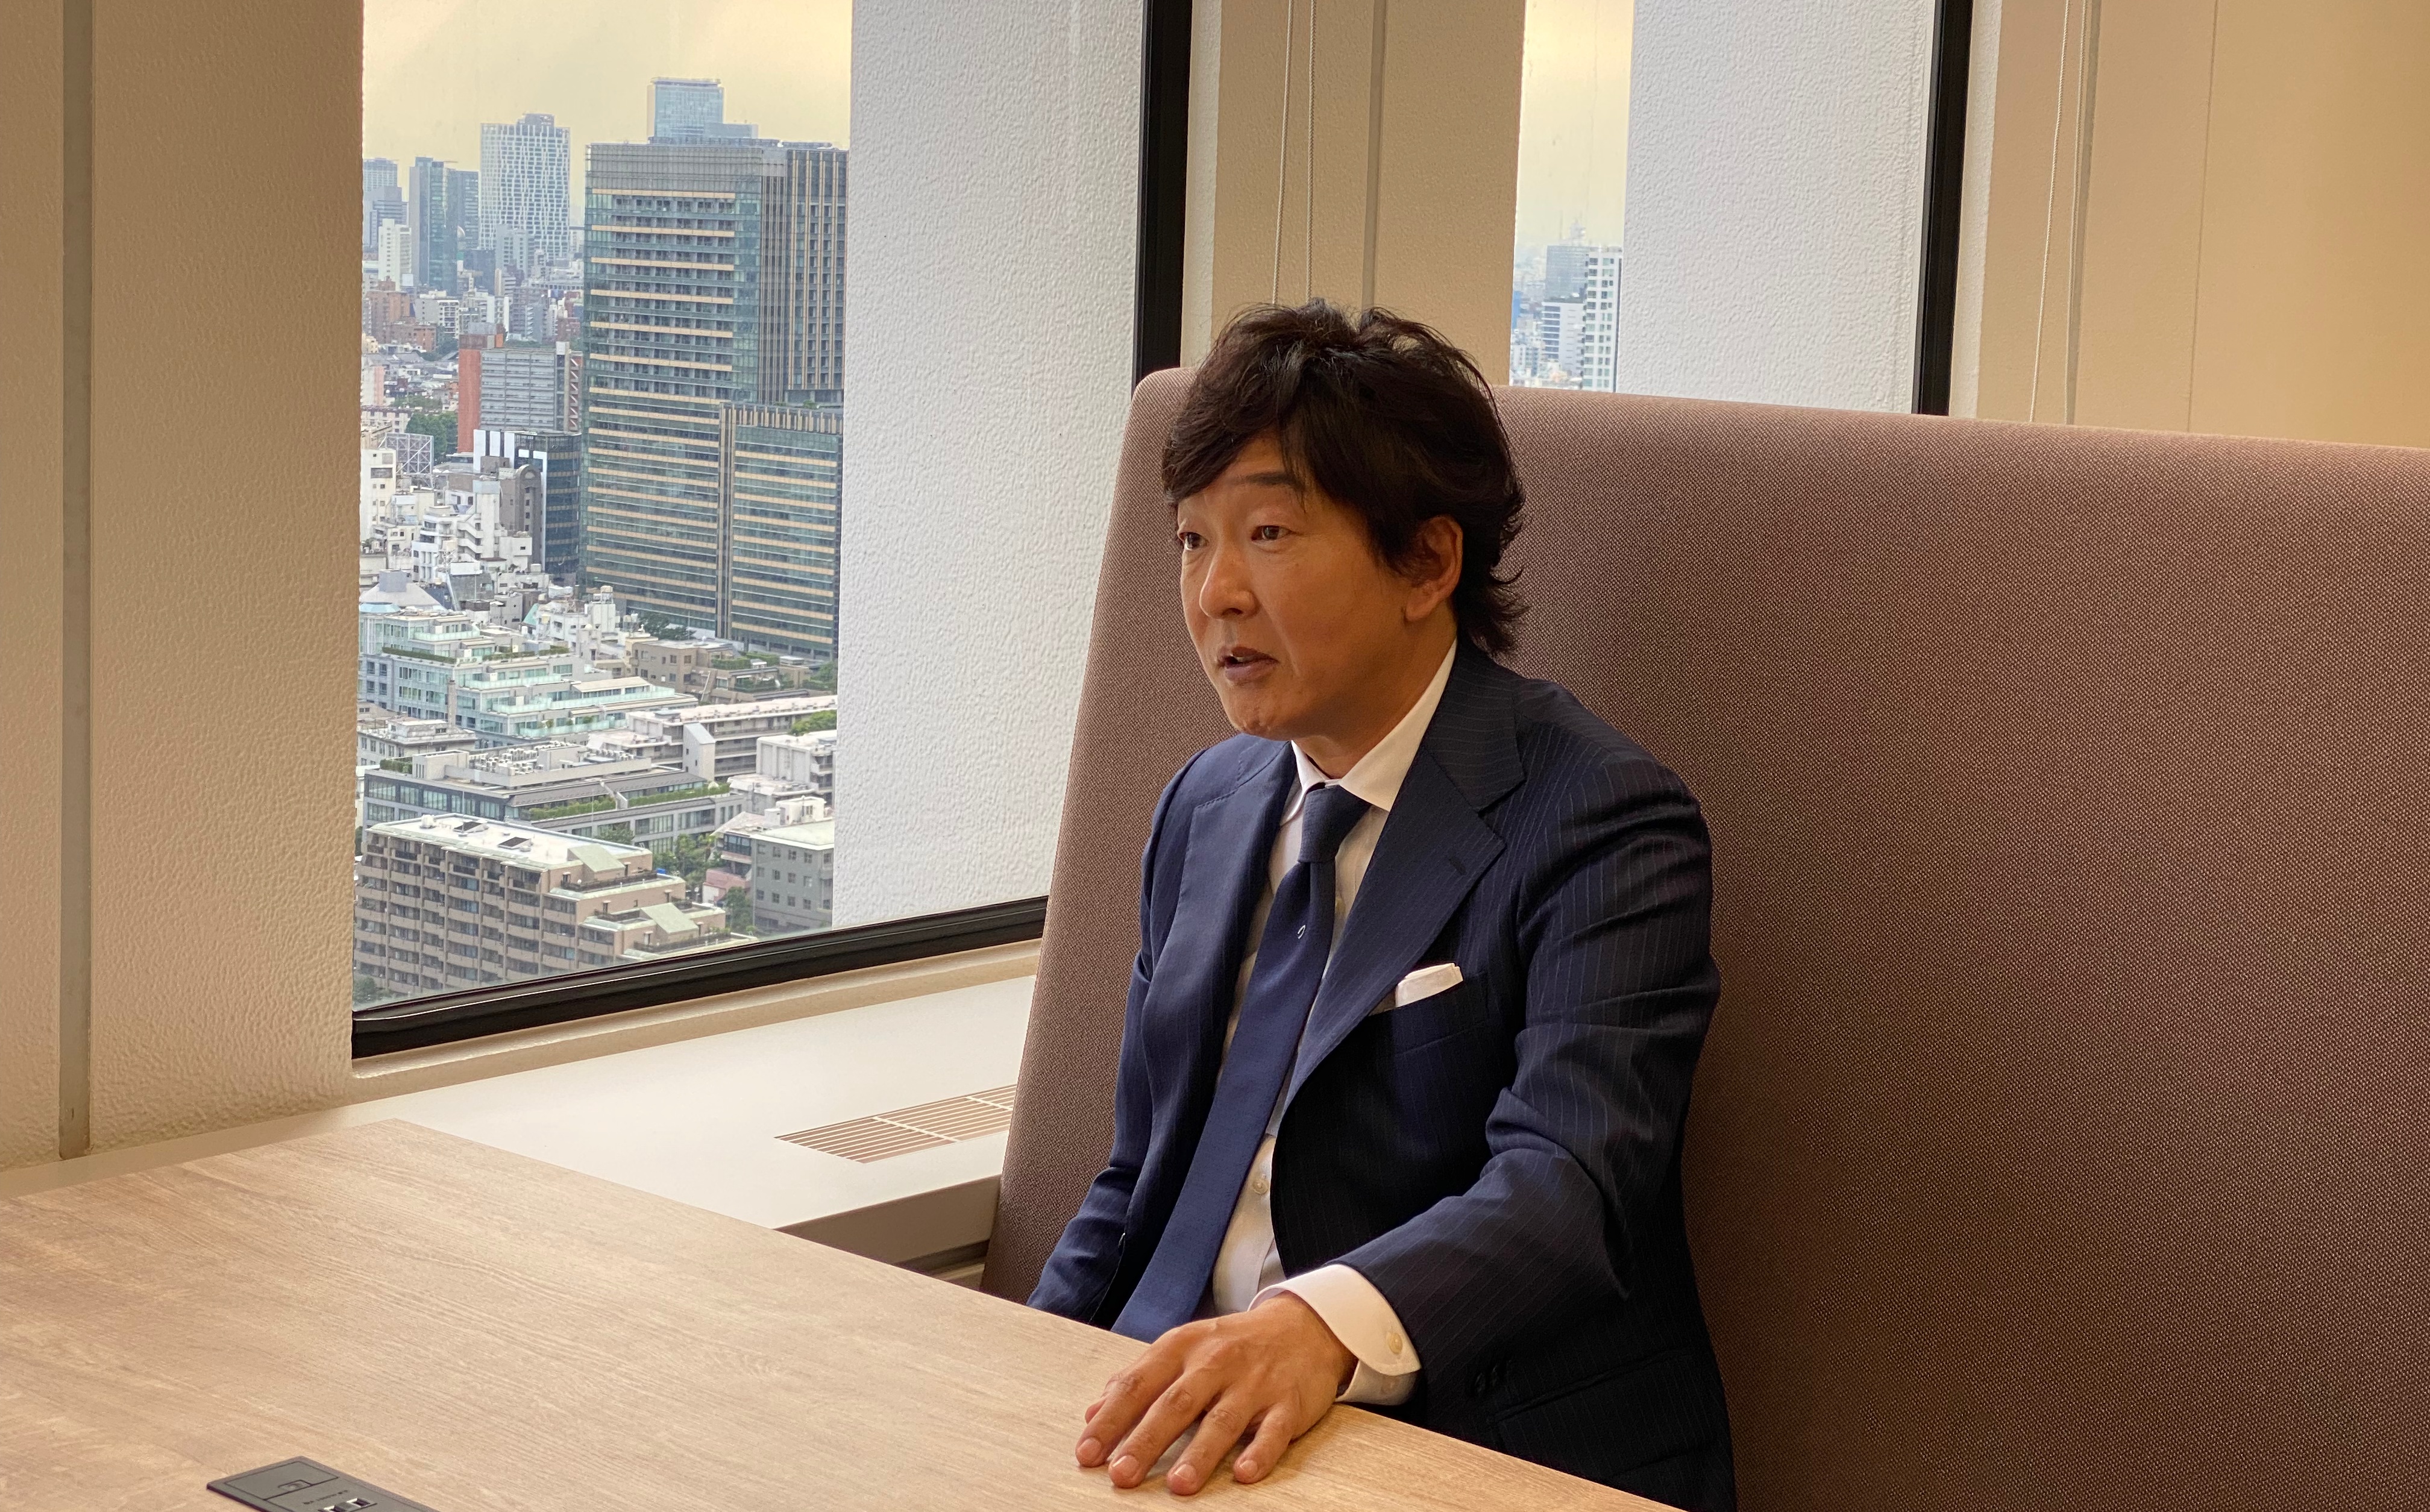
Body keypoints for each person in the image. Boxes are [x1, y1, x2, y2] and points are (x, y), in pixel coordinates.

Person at [1028, 301, 1735, 1510]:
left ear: (1427, 564)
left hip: (1454, 1440)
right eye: (1192, 540)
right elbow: (1139, 1176)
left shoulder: (1603, 817)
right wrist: (1013, 1366)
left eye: (1268, 532)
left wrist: (1311, 1331)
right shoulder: (1206, 804)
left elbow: (1568, 1183)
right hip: (1177, 1422)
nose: (1216, 592)